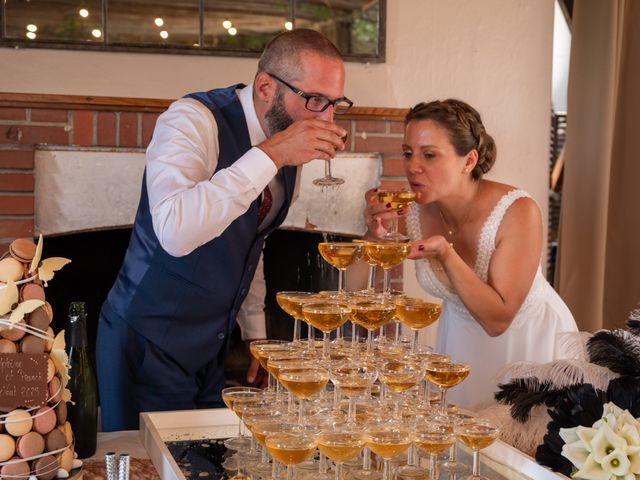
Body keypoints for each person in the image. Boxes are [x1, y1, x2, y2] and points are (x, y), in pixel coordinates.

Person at [96, 29, 351, 431]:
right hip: (148, 341)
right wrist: (270, 155)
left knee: (205, 465)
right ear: (266, 86)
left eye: (335, 104)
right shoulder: (191, 120)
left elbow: (250, 242)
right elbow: (175, 231)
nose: (327, 119)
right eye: (315, 100)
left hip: (212, 347)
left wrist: (255, 334)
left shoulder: (286, 145)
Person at [363, 99, 579, 409]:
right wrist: (371, 234)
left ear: (469, 160)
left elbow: (497, 320)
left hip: (529, 348)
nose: (412, 166)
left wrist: (446, 255)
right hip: (460, 347)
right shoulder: (410, 212)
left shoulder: (517, 210)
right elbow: (356, 287)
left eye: (429, 155)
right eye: (408, 153)